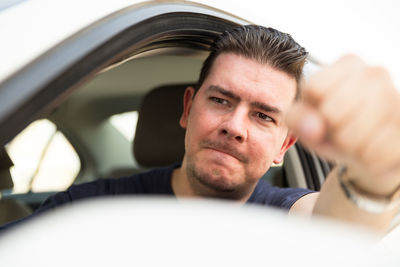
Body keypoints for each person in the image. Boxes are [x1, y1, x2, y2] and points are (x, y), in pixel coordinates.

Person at [3, 25, 400, 233]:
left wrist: (372, 178)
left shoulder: (287, 216)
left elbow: (334, 227)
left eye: (263, 115)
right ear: (189, 108)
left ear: (285, 145)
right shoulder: (85, 210)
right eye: (221, 100)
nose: (234, 126)